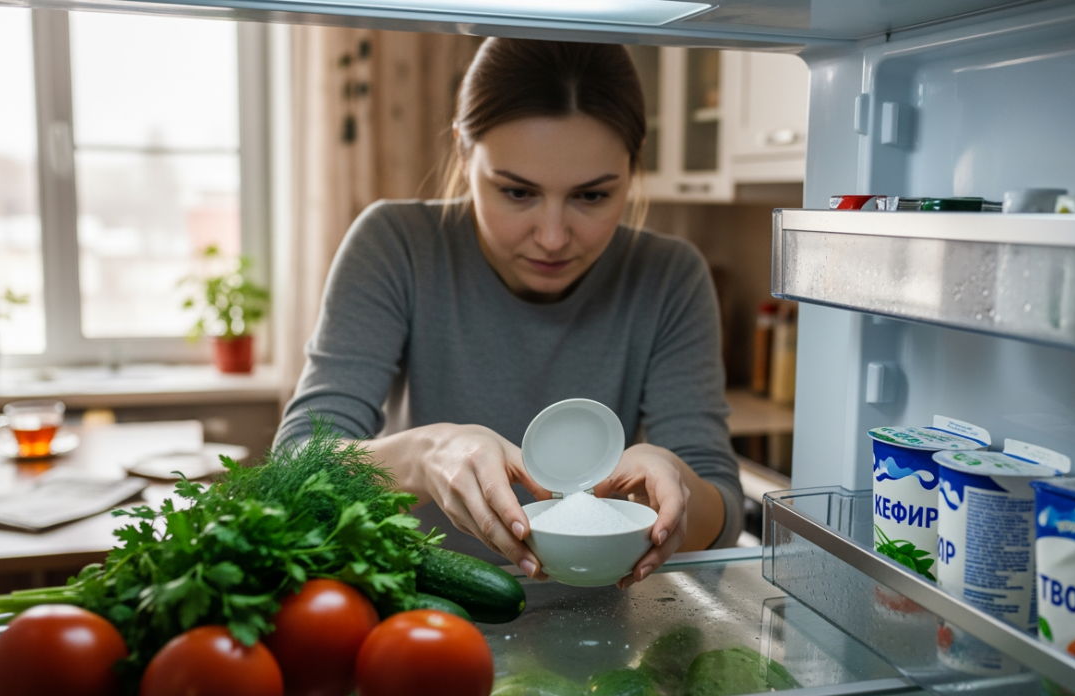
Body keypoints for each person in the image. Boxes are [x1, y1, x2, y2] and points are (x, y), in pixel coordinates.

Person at [276, 38, 743, 589]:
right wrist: (422, 454)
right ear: (463, 151)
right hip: (415, 621)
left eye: (591, 197)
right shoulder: (395, 245)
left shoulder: (669, 275)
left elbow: (723, 516)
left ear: (633, 162)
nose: (551, 237)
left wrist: (677, 485)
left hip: (595, 636)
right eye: (517, 193)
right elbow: (293, 468)